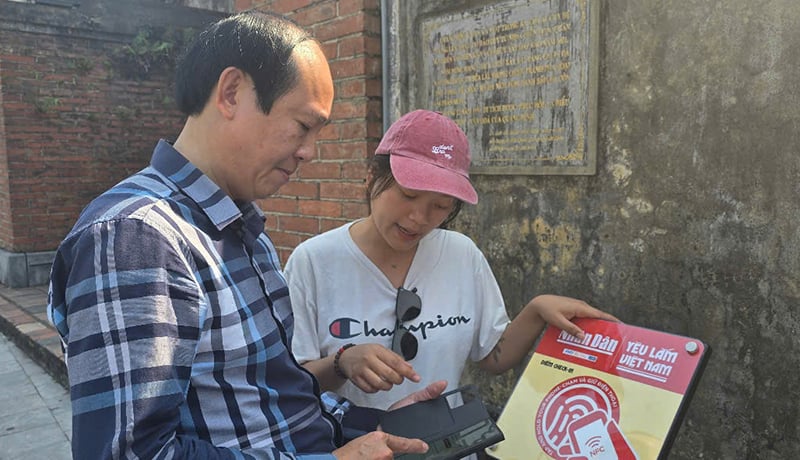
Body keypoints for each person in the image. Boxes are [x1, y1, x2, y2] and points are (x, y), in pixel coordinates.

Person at [47, 12, 446, 460]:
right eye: (303, 126)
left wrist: (377, 426)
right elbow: (128, 454)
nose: (309, 152)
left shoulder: (242, 226)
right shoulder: (135, 238)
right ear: (231, 93)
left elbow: (270, 392)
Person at [284, 109, 618, 410]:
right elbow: (289, 384)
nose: (419, 217)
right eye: (408, 195)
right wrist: (342, 362)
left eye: (441, 206)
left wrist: (536, 311)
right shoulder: (313, 263)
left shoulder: (462, 255)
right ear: (371, 177)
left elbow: (491, 356)